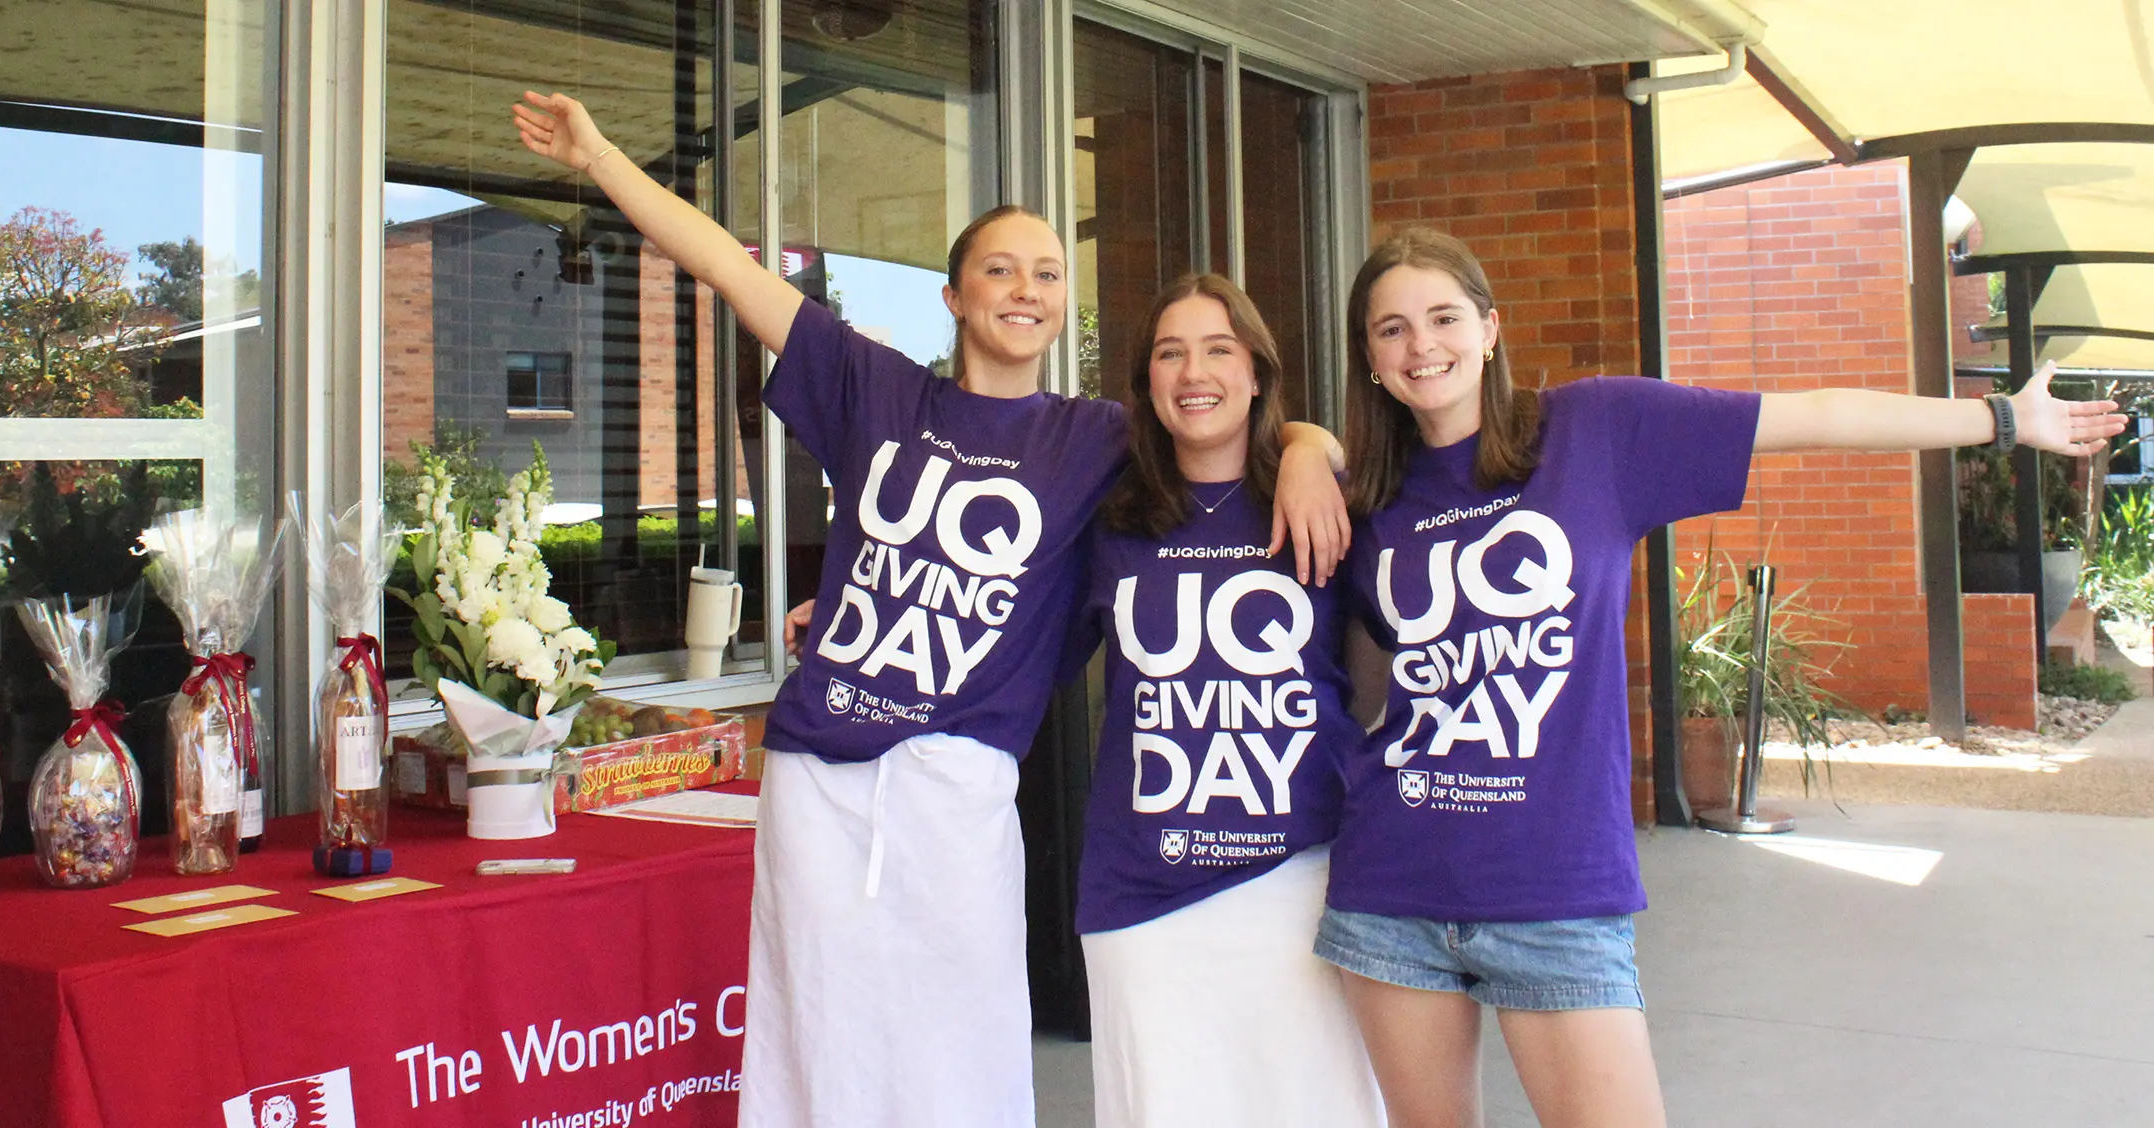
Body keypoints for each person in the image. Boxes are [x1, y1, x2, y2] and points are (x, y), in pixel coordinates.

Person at [512, 92, 1351, 1128]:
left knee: (964, 1043)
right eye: (1000, 269)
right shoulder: (880, 391)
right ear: (954, 296)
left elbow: (1220, 404)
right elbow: (730, 269)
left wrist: (1313, 447)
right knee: (812, 1026)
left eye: (1047, 274)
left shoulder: (1093, 439)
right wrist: (598, 153)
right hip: (820, 772)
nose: (1026, 290)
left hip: (958, 780)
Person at [1313, 227, 2122, 1128]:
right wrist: (1311, 446)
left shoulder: (1596, 431)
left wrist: (2003, 420)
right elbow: (1354, 677)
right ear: (1370, 359)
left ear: (1491, 328)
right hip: (1393, 886)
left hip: (1555, 890)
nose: (1421, 346)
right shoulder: (1367, 497)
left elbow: (1815, 416)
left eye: (1442, 317)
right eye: (1391, 330)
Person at [1070, 273, 1382, 1128]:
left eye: (1218, 349)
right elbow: (1009, 636)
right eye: (1170, 353)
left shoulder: (1321, 506)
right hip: (1143, 893)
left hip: (1302, 878)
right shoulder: (1110, 522)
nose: (1193, 371)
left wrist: (1314, 451)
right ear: (1147, 386)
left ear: (1256, 374)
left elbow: (1408, 658)